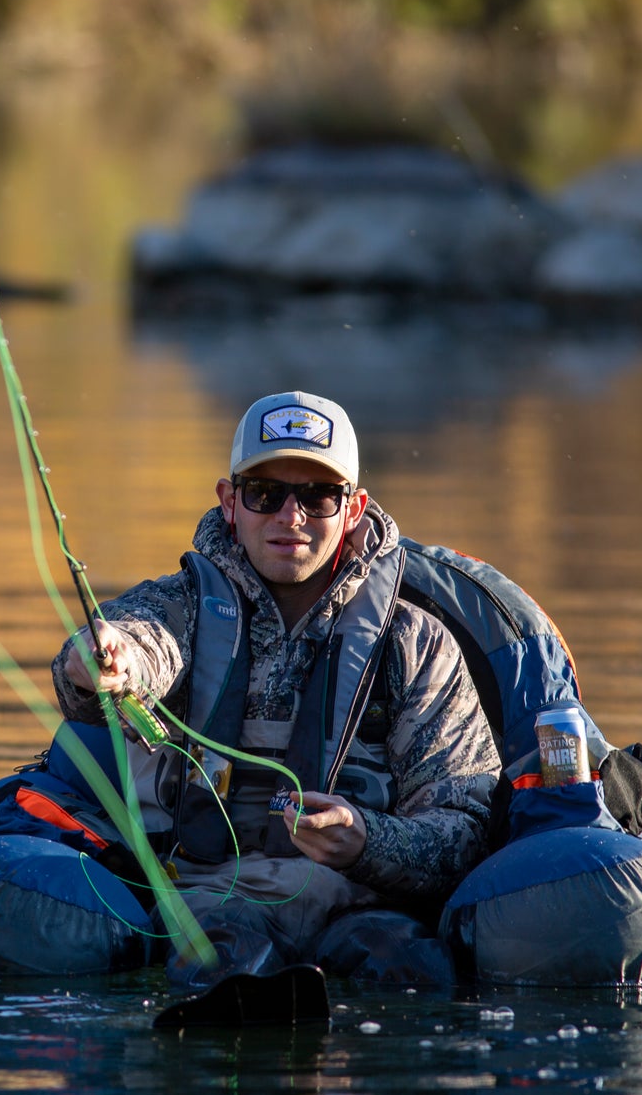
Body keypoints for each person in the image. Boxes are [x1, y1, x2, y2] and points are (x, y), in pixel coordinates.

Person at [51, 391, 501, 990]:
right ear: (229, 502)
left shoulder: (417, 644)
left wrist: (367, 841)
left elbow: (464, 823)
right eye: (266, 493)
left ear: (354, 509)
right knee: (223, 966)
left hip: (364, 905)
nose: (291, 516)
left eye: (318, 496)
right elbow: (133, 646)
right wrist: (104, 659)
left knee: (410, 971)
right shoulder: (177, 606)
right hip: (209, 902)